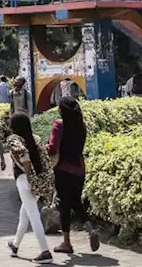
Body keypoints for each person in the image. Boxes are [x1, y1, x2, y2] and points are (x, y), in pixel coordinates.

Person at [47, 96, 99, 254]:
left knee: (64, 205)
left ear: (62, 110)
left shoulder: (59, 125)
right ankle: (91, 230)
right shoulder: (81, 125)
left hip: (63, 169)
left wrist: (44, 148)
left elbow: (52, 149)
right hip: (79, 168)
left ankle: (67, 242)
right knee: (76, 201)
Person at [5, 112, 53, 262]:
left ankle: (45, 252)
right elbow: (46, 159)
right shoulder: (36, 138)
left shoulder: (14, 139)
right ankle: (15, 244)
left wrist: (28, 172)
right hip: (39, 181)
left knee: (33, 215)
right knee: (24, 214)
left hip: (25, 181)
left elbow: (22, 152)